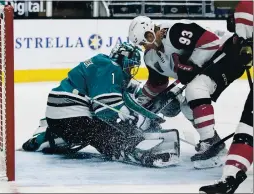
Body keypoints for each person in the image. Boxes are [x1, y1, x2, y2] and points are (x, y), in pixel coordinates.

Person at [21, 42, 181, 168]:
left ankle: (48, 138)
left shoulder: (103, 65)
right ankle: (132, 151)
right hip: (71, 116)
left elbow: (124, 97)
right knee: (103, 131)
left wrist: (149, 113)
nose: (131, 69)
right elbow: (106, 109)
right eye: (130, 65)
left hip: (59, 118)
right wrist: (138, 121)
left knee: (85, 131)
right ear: (122, 59)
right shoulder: (111, 68)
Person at [128, 14, 252, 169]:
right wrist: (139, 107)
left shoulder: (174, 32)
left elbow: (211, 41)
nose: (145, 46)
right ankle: (214, 143)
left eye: (144, 40)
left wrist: (192, 64)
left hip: (227, 55)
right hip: (209, 69)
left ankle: (210, 144)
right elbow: (156, 85)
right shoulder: (151, 57)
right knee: (187, 107)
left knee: (195, 89)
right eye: (141, 44)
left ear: (150, 32)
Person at [199, 0, 253, 193]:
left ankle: (230, 177)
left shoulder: (245, 8)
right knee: (247, 128)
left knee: (247, 127)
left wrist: (246, 42)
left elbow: (246, 10)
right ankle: (230, 177)